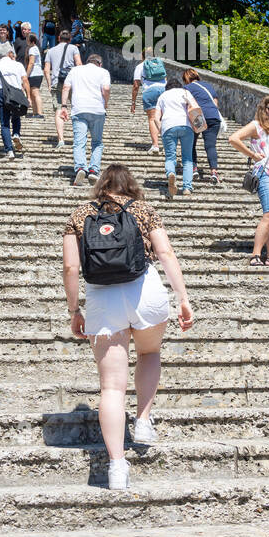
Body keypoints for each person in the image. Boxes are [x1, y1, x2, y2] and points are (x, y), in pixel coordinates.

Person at [62, 163, 194, 490]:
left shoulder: (79, 215)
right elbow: (164, 252)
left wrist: (74, 309)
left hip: (102, 300)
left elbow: (70, 267)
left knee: (111, 388)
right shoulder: (143, 209)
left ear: (100, 185)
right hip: (144, 290)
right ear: (130, 185)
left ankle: (117, 467)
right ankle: (144, 420)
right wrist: (183, 297)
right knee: (149, 352)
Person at [229, 96, 269, 266]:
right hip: (267, 174)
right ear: (264, 109)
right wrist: (252, 155)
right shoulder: (256, 125)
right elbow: (234, 138)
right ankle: (255, 254)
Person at [62, 52, 111, 186]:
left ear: (87, 61)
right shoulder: (103, 72)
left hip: (79, 109)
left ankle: (80, 167)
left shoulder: (75, 70)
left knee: (79, 142)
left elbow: (66, 87)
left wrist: (64, 106)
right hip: (97, 110)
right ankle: (93, 170)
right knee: (97, 142)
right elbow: (106, 89)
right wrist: (105, 103)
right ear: (99, 63)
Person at [154, 76, 202, 198]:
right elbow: (195, 108)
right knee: (187, 159)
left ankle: (170, 173)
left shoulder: (162, 96)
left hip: (168, 126)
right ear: (179, 86)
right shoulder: (185, 92)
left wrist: (161, 129)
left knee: (170, 157)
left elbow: (155, 118)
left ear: (167, 87)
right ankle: (187, 188)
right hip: (186, 126)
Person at [182, 68, 222, 185]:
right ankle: (214, 172)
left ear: (186, 79)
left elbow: (187, 104)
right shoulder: (207, 86)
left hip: (198, 116)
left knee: (191, 144)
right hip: (213, 116)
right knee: (210, 146)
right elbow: (215, 102)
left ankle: (194, 169)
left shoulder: (187, 88)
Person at [0, 44, 31, 160]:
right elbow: (25, 80)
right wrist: (28, 97)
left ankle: (9, 150)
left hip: (2, 92)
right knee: (16, 114)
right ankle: (16, 134)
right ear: (9, 53)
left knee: (4, 124)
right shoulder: (18, 65)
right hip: (16, 92)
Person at [44, 32, 81, 147]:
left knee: (59, 110)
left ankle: (61, 139)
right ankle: (79, 138)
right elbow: (79, 64)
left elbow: (46, 69)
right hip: (72, 82)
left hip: (57, 81)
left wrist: (49, 84)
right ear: (70, 39)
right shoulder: (74, 48)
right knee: (77, 109)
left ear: (59, 38)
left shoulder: (50, 51)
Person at [130, 47, 167, 153]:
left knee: (152, 118)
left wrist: (133, 102)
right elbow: (165, 79)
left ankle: (155, 145)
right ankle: (167, 143)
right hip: (163, 90)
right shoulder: (159, 64)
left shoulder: (140, 66)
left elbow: (136, 85)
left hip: (149, 92)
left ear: (142, 56)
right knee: (163, 118)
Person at [22, 26, 44, 117]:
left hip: (35, 73)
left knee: (35, 92)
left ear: (32, 41)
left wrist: (26, 75)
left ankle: (39, 112)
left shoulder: (32, 49)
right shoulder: (34, 49)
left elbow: (31, 63)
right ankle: (35, 112)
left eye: (27, 39)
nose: (26, 40)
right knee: (32, 92)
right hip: (35, 73)